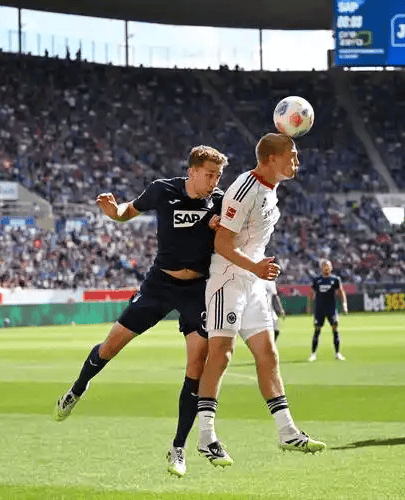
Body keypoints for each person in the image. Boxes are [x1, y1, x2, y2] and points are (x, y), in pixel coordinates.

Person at [53, 145, 229, 478]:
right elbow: (127, 211)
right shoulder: (163, 190)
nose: (214, 182)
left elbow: (232, 238)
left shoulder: (220, 201)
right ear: (192, 171)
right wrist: (113, 211)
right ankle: (77, 389)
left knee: (197, 363)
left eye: (218, 176)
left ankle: (178, 448)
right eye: (209, 175)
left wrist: (222, 229)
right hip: (160, 284)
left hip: (197, 290)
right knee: (112, 345)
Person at [196, 133, 326, 467]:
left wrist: (256, 269)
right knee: (221, 355)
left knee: (268, 354)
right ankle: (205, 437)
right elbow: (222, 243)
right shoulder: (245, 188)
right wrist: (255, 265)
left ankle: (287, 431)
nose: (296, 161)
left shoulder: (270, 189)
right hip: (227, 279)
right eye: (291, 155)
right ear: (270, 159)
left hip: (251, 281)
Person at [308, 259, 348, 362]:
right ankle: (313, 354)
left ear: (331, 268)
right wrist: (309, 306)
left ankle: (337, 353)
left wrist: (344, 305)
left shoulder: (335, 279)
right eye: (324, 266)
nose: (326, 268)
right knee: (317, 331)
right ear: (321, 268)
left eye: (328, 266)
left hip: (331, 310)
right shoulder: (316, 280)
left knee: (335, 330)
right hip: (319, 310)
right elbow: (311, 294)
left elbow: (341, 292)